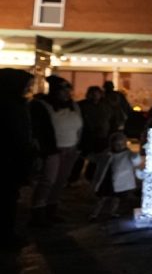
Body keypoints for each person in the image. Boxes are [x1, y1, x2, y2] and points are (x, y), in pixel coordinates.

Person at [29, 75, 83, 226]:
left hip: (70, 148)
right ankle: (38, 212)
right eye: (63, 90)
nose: (67, 93)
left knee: (60, 181)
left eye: (68, 90)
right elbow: (38, 129)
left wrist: (78, 145)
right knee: (48, 180)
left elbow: (80, 126)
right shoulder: (42, 105)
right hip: (52, 150)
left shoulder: (73, 106)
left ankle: (51, 209)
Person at [0, 69, 35, 248]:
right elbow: (14, 134)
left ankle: (8, 232)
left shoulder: (17, 104)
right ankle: (5, 236)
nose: (29, 89)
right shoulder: (8, 106)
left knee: (10, 198)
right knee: (6, 199)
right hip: (8, 161)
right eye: (26, 85)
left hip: (14, 159)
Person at [89, 132, 137, 220]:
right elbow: (99, 160)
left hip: (119, 182)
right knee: (102, 198)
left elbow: (136, 160)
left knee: (116, 198)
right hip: (107, 180)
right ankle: (94, 214)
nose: (119, 146)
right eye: (116, 144)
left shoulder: (127, 154)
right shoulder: (107, 153)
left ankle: (112, 212)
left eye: (121, 144)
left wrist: (135, 156)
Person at [76, 85, 114, 182]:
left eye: (96, 93)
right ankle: (74, 178)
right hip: (86, 135)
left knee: (97, 158)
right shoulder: (81, 105)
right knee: (81, 157)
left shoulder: (106, 106)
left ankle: (91, 176)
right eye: (92, 93)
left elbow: (112, 120)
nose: (94, 96)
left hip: (102, 136)